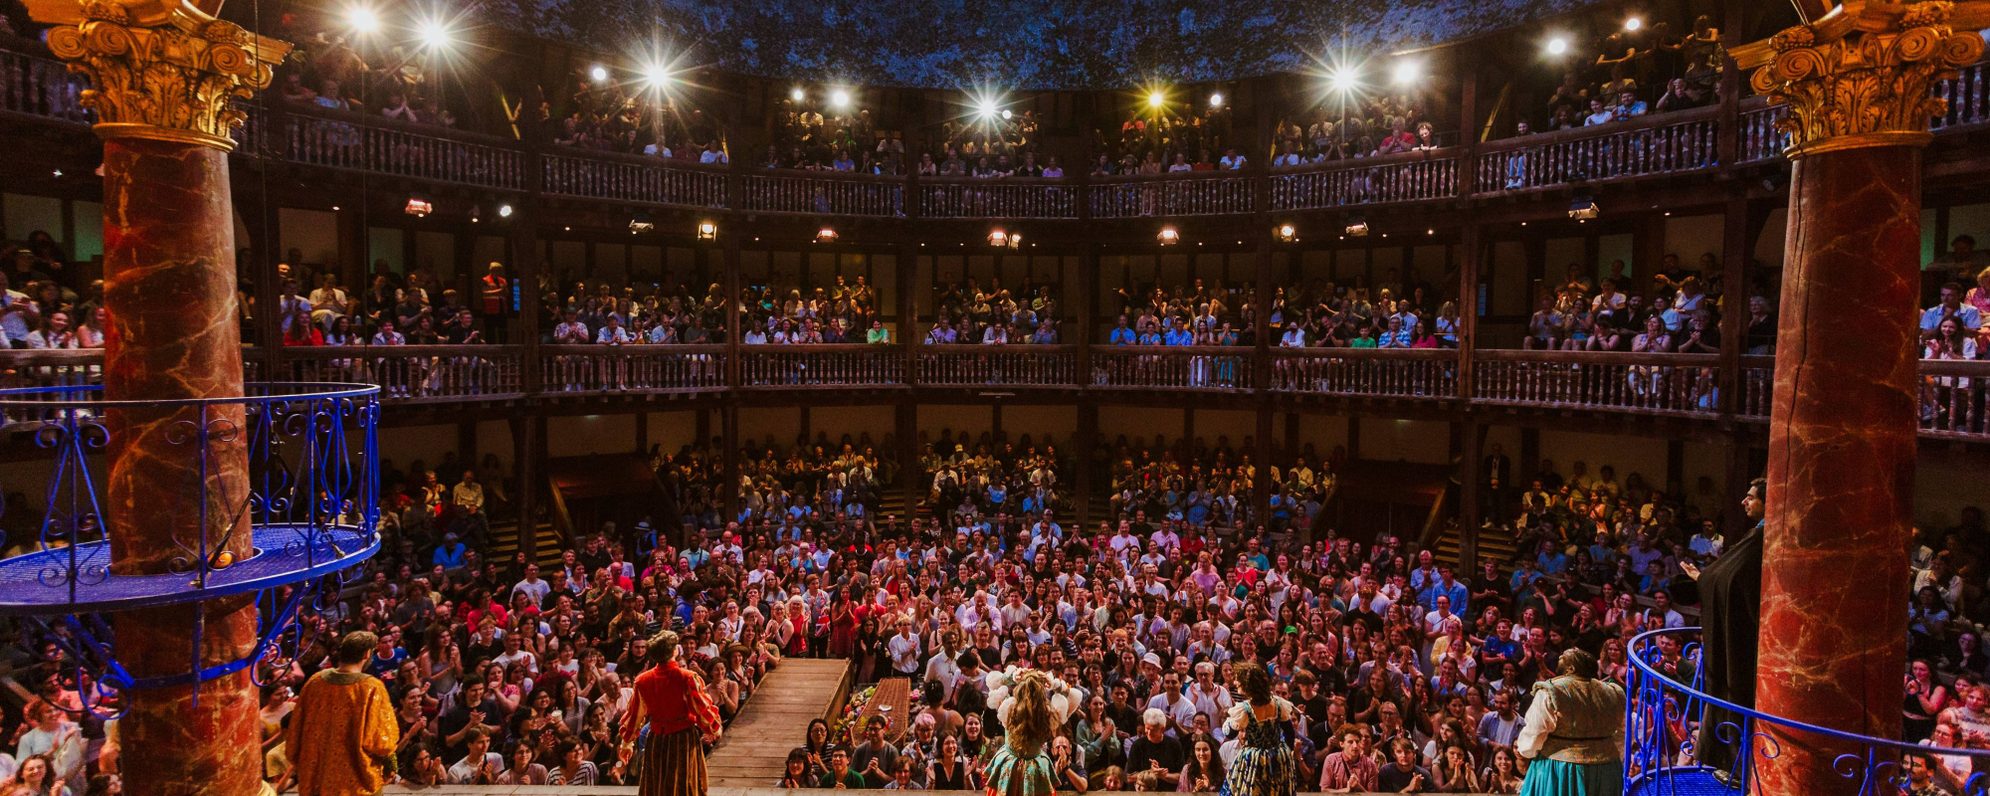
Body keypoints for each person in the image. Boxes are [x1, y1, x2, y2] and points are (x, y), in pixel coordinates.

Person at [1680, 477, 1765, 773]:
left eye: (1751, 497)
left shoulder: (1762, 537)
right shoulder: (1757, 534)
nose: (1745, 501)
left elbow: (1730, 579)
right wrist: (1706, 577)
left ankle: (1736, 764)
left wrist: (1703, 579)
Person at [285, 630, 401, 796]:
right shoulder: (371, 687)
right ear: (367, 653)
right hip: (355, 782)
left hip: (316, 776)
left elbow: (296, 728)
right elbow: (382, 741)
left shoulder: (315, 681)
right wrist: (391, 765)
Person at [622, 629, 723, 796]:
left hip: (656, 739)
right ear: (674, 651)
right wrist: (713, 728)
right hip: (682, 738)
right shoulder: (687, 677)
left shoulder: (643, 680)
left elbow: (634, 715)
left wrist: (627, 741)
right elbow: (702, 708)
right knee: (684, 785)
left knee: (658, 784)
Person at [1516, 648, 1625, 796]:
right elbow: (1621, 730)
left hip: (1562, 768)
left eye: (1568, 655)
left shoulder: (1553, 690)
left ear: (1571, 668)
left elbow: (1537, 729)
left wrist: (1526, 751)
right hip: (1607, 766)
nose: (1563, 654)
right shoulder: (1612, 691)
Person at [982, 667, 1083, 796]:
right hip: (1035, 768)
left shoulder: (1008, 707)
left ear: (1019, 688)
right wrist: (1054, 684)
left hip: (1008, 764)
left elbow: (993, 685)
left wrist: (1011, 677)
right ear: (1042, 692)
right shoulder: (1048, 713)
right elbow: (1075, 696)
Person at [1221, 662, 1295, 796]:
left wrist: (1227, 721)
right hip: (1277, 757)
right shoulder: (1278, 703)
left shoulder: (1244, 709)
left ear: (1248, 685)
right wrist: (1285, 755)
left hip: (1255, 760)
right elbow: (1290, 732)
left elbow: (1230, 733)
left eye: (1239, 680)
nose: (1236, 682)